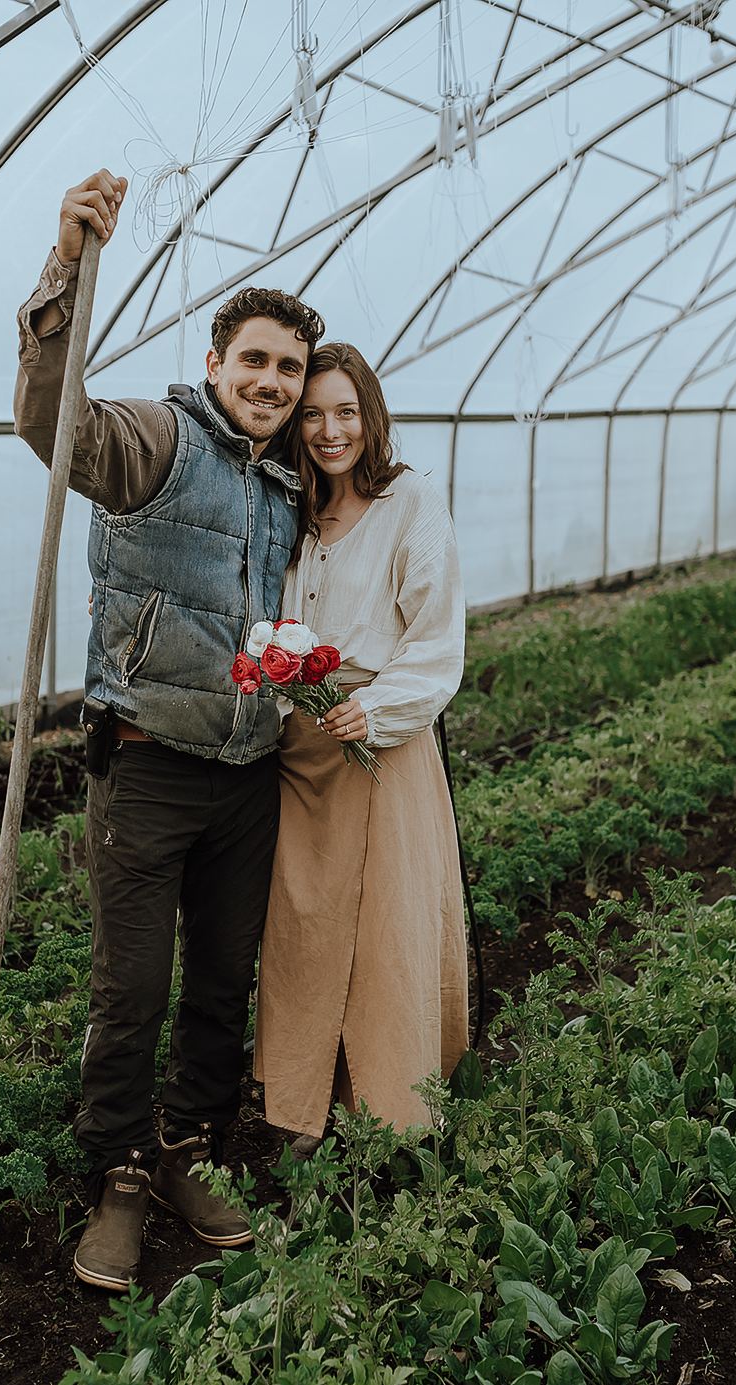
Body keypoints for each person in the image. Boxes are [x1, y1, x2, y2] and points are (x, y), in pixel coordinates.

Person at [13, 169, 326, 1292]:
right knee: (132, 983)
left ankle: (189, 1150)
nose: (271, 383)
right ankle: (119, 1174)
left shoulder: (290, 485)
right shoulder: (156, 441)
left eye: (288, 370)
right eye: (254, 361)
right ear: (213, 364)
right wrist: (64, 269)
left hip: (247, 772)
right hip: (146, 761)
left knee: (217, 983)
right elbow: (54, 422)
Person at [253, 342, 469, 1150]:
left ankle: (391, 1111)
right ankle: (306, 1106)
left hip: (381, 746)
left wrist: (375, 707)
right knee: (304, 927)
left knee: (386, 929)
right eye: (311, 414)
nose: (328, 429)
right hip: (305, 754)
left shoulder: (410, 500)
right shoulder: (295, 511)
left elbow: (437, 637)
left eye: (345, 411)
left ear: (371, 416)